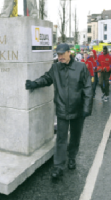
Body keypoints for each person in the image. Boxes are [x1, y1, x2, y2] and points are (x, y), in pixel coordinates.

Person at [25, 43, 92, 180]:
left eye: (62, 54)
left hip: (78, 110)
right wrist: (34, 83)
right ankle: (58, 166)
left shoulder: (81, 67)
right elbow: (46, 78)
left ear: (69, 53)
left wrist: (86, 108)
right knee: (61, 138)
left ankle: (72, 157)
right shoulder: (55, 68)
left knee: (75, 136)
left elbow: (87, 89)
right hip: (62, 109)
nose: (60, 57)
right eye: (58, 54)